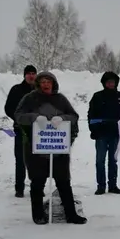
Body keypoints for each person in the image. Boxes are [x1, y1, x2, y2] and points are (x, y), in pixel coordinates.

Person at [15, 71, 87, 225]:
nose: (46, 84)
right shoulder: (30, 99)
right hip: (36, 149)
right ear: (38, 84)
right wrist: (35, 118)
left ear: (53, 83)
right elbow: (19, 115)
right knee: (37, 182)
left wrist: (62, 118)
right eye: (43, 81)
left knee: (63, 182)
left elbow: (74, 116)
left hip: (58, 149)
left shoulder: (60, 99)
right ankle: (38, 215)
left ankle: (71, 214)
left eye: (49, 81)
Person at [87, 71, 120, 195]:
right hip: (101, 134)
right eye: (108, 82)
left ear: (116, 83)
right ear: (104, 83)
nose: (111, 84)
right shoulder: (97, 96)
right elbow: (91, 115)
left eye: (113, 82)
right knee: (100, 161)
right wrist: (93, 130)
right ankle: (101, 186)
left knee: (113, 161)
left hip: (115, 134)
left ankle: (113, 185)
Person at [4, 65, 37, 198]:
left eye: (33, 73)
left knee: (37, 160)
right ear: (24, 75)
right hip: (21, 129)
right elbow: (8, 108)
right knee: (21, 159)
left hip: (38, 131)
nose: (31, 76)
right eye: (28, 73)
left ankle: (37, 186)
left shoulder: (40, 91)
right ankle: (19, 188)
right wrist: (19, 118)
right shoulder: (16, 90)